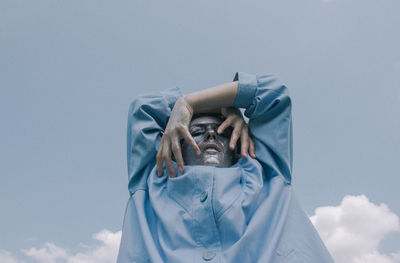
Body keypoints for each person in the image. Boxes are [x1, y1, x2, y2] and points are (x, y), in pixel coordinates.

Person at [117, 72, 334, 263]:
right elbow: (143, 107)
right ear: (173, 145)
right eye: (196, 132)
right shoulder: (154, 176)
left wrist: (190, 103)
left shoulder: (267, 171)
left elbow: (273, 91)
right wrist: (207, 107)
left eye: (223, 130)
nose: (211, 134)